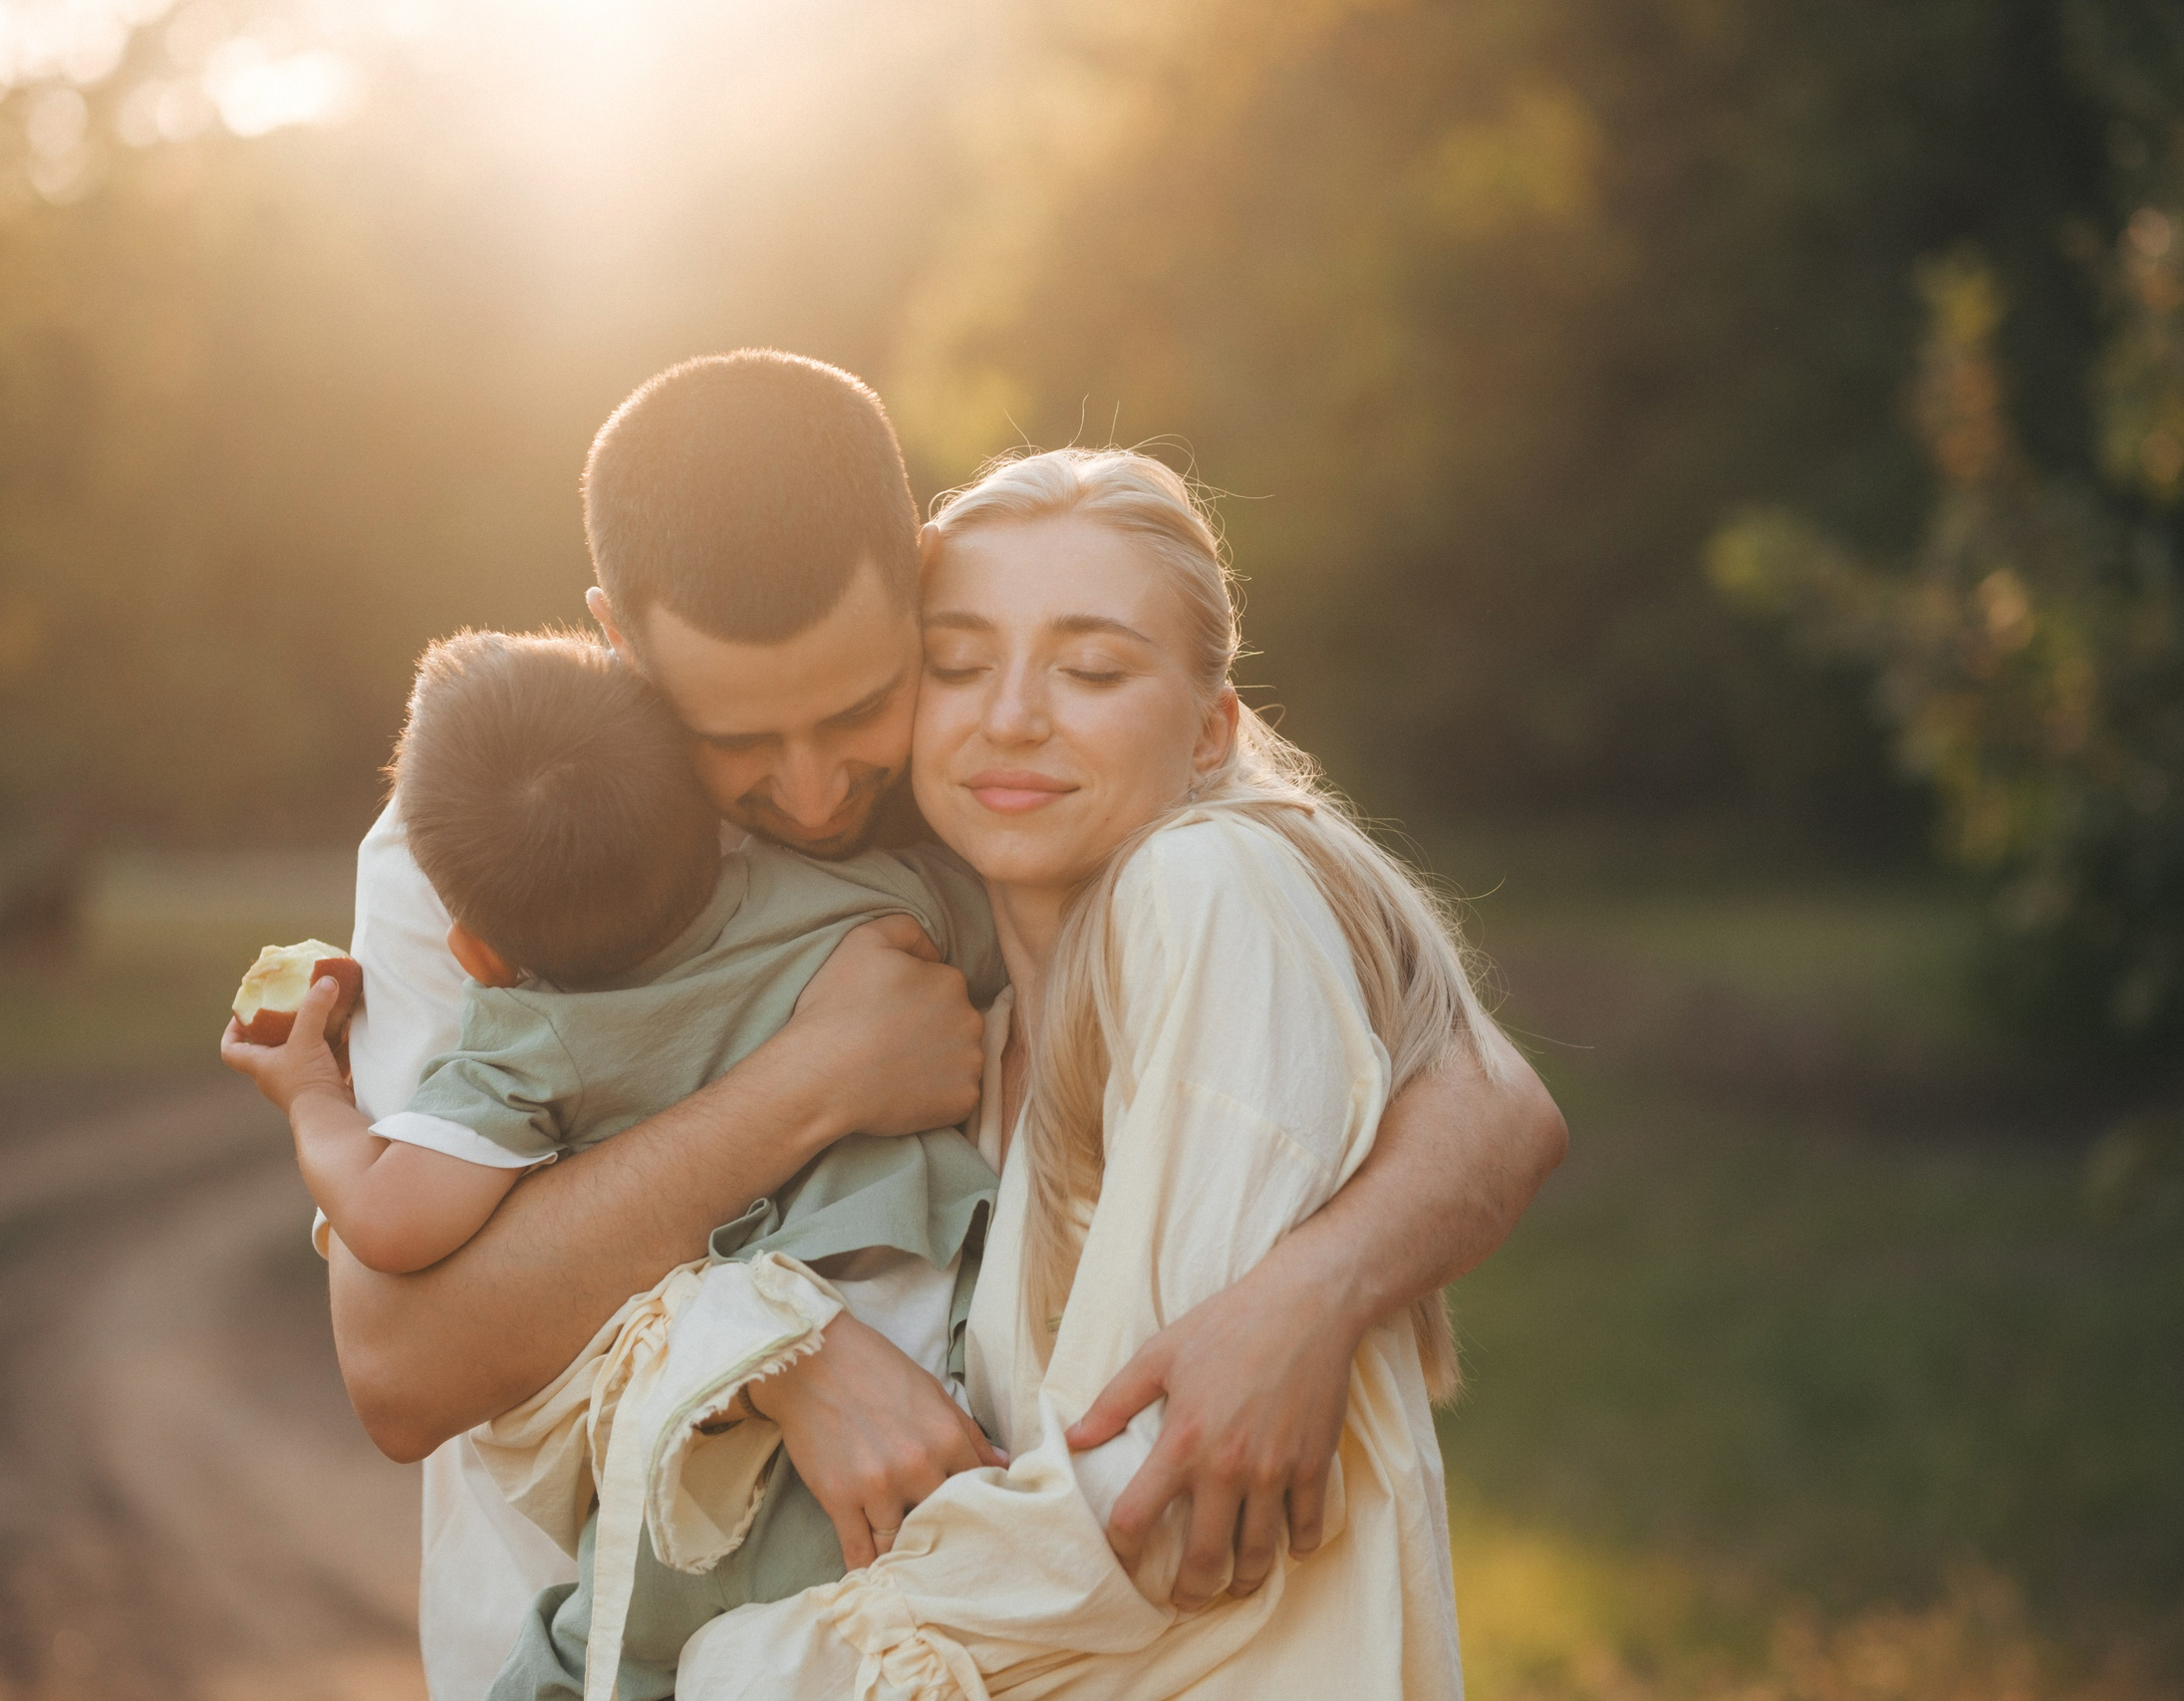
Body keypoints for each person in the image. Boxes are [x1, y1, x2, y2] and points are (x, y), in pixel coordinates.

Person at [324, 352, 1568, 1694]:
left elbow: (1484, 1094)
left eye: (861, 705)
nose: (811, 790)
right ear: (619, 645)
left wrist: (1308, 1292)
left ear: (921, 576)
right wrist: (814, 1094)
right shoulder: (493, 835)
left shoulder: (1012, 741)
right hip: (596, 1613)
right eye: (737, 738)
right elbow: (406, 1360)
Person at [680, 445, 1506, 1698]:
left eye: (1093, 668)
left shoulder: (1206, 890)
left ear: (1211, 729)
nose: (1010, 713)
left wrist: (752, 1667)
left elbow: (1155, 1504)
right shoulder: (978, 1037)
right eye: (957, 664)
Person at [222, 627, 1005, 1699]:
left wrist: (312, 1094)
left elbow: (394, 1223)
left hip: (711, 1473)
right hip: (937, 1381)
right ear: (715, 820)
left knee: (605, 1644)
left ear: (478, 956)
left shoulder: (522, 1040)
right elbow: (399, 1376)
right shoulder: (868, 897)